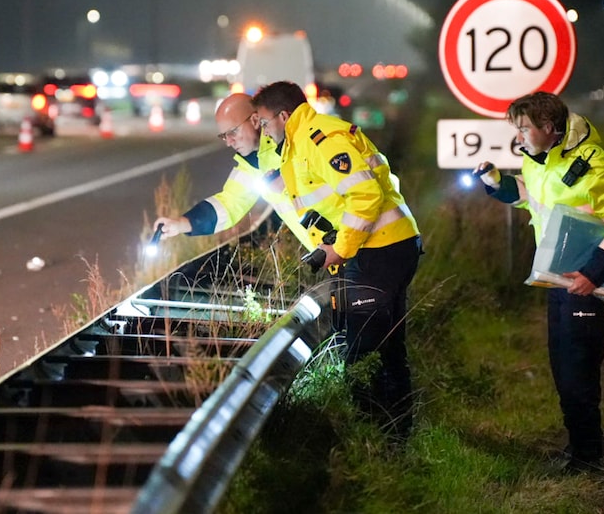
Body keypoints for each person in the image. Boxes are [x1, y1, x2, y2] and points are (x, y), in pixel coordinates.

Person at [473, 91, 604, 472]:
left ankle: (588, 458)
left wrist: (591, 275)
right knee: (563, 369)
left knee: (578, 371)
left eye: (523, 128)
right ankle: (584, 446)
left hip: (584, 285)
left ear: (549, 128)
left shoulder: (597, 169)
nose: (517, 136)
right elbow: (530, 198)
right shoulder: (539, 159)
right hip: (556, 281)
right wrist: (496, 181)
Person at [252, 81, 422, 439]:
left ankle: (375, 435)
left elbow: (364, 195)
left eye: (265, 123)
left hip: (379, 249)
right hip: (383, 247)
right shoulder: (302, 141)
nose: (264, 132)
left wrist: (341, 249)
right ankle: (397, 435)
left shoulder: (319, 138)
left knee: (362, 351)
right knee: (386, 347)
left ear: (284, 116)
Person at [152, 93, 318, 251]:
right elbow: (228, 204)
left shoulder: (293, 144)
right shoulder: (253, 165)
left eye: (233, 132)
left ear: (254, 120)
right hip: (329, 251)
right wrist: (181, 223)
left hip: (341, 243)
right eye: (224, 136)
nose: (229, 142)